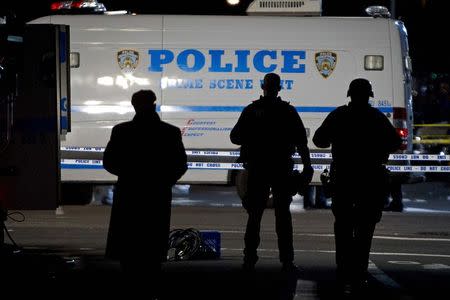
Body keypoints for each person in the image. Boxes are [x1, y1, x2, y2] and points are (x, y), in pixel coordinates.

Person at [313, 78, 401, 293]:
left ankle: (343, 272)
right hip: (369, 179)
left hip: (344, 178)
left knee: (342, 226)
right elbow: (395, 143)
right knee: (365, 229)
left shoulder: (339, 115)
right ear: (368, 95)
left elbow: (319, 140)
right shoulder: (376, 118)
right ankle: (359, 272)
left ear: (350, 94)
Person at [103, 90, 187, 293]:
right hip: (157, 194)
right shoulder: (170, 132)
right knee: (152, 241)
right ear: (154, 105)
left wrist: (128, 174)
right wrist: (165, 181)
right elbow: (180, 164)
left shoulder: (121, 131)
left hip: (129, 192)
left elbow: (109, 162)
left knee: (129, 242)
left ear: (134, 106)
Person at [230, 73, 313, 272]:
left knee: (254, 215)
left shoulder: (251, 110)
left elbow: (235, 137)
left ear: (263, 87)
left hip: (258, 168)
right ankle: (287, 260)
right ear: (279, 88)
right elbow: (302, 142)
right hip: (281, 168)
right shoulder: (288, 111)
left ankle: (249, 258)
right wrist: (307, 166)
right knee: (283, 216)